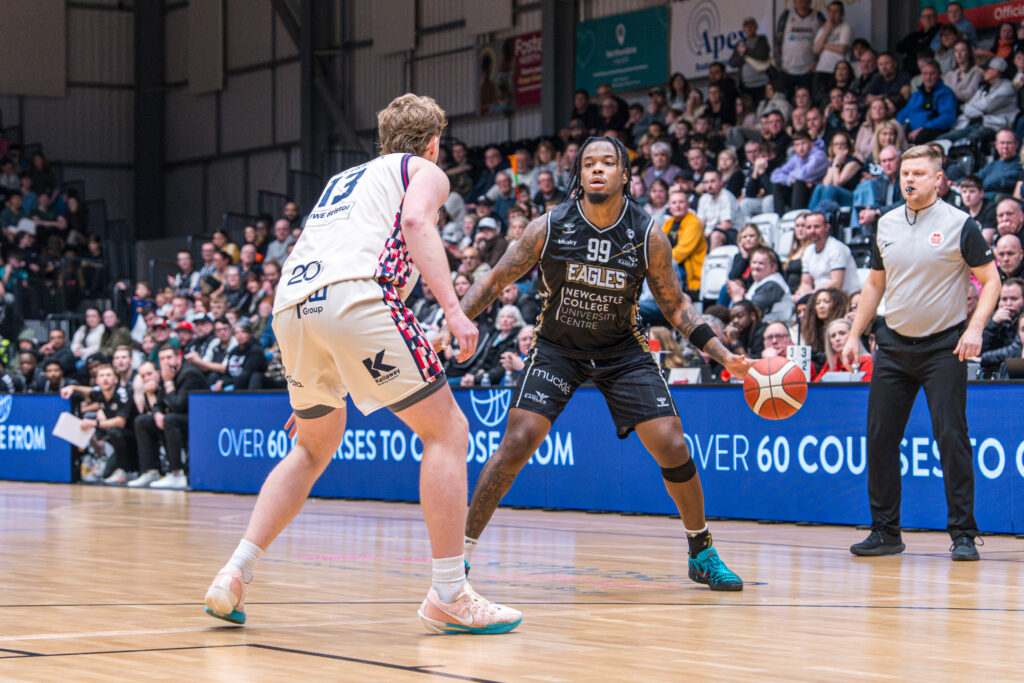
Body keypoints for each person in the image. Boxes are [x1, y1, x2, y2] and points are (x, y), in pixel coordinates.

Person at [203, 94, 521, 634]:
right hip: (357, 300)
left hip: (291, 308)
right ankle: (449, 592)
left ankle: (234, 573)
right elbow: (418, 221)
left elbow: (320, 260)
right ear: (433, 143)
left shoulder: (342, 183)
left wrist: (324, 369)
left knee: (312, 444)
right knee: (448, 431)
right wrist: (453, 310)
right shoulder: (422, 170)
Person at [448, 135, 752, 592]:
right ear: (579, 174)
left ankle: (701, 551)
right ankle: (460, 556)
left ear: (624, 174)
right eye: (588, 163)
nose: (597, 169)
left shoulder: (647, 233)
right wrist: (449, 323)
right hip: (557, 347)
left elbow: (675, 307)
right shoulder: (548, 226)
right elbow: (494, 280)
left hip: (622, 351)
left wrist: (724, 354)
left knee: (672, 444)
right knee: (517, 441)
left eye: (607, 163)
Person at [843, 144, 1001, 561]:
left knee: (951, 438)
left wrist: (976, 329)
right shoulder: (887, 223)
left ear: (937, 179)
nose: (908, 179)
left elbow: (992, 281)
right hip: (892, 346)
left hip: (943, 347)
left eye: (917, 173)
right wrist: (853, 334)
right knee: (879, 439)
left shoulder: (960, 224)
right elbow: (875, 284)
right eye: (903, 173)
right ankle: (885, 532)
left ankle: (963, 534)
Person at [130, 344, 207, 490]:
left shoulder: (189, 374)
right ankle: (151, 471)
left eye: (169, 357)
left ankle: (177, 473)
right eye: (162, 359)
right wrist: (157, 413)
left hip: (198, 421)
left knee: (170, 419)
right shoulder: (168, 374)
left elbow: (179, 406)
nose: (166, 362)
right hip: (177, 419)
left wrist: (168, 382)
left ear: (178, 357)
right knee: (142, 421)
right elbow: (159, 404)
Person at [794, 211, 861, 299]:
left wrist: (811, 294)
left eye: (816, 227)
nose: (812, 231)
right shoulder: (808, 251)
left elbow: (836, 284)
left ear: (827, 227)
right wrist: (800, 295)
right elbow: (806, 283)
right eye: (809, 227)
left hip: (844, 299)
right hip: (820, 299)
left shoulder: (837, 248)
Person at [895, 60, 957, 143]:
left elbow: (947, 118)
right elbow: (904, 113)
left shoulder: (946, 94)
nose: (928, 77)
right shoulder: (917, 94)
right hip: (912, 131)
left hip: (931, 132)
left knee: (921, 137)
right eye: (925, 73)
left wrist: (923, 127)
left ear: (939, 75)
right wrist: (895, 125)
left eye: (932, 74)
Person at [662, 188, 706, 299]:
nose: (677, 206)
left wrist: (659, 262)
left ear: (688, 205)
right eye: (674, 202)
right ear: (669, 207)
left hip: (688, 271)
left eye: (681, 202)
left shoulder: (694, 223)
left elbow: (681, 252)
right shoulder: (668, 223)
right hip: (670, 264)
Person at [775, 0, 824, 96]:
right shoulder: (787, 15)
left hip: (808, 69)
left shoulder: (818, 16)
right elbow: (777, 42)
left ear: (810, 3)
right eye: (800, 2)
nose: (803, 4)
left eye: (806, 2)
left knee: (807, 100)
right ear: (794, 3)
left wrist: (817, 63)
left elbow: (825, 41)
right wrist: (779, 64)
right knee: (786, 100)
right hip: (787, 69)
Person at [696, 169, 743, 249]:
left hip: (733, 233)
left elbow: (726, 224)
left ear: (721, 182)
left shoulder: (727, 197)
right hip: (709, 233)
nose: (709, 185)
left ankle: (712, 261)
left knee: (715, 236)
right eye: (706, 182)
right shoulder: (703, 199)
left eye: (712, 181)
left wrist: (708, 234)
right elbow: (700, 223)